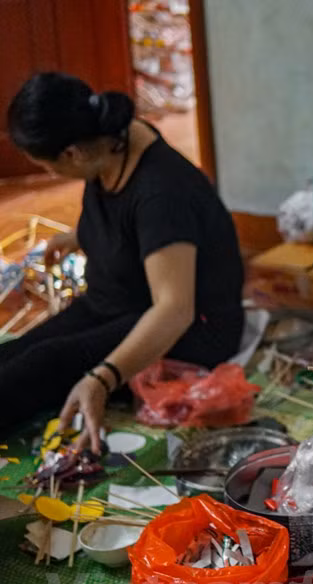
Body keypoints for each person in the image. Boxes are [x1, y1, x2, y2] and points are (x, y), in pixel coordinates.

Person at [1, 72, 245, 451]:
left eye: (51, 168)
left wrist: (103, 378)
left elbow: (175, 309)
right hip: (119, 301)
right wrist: (80, 235)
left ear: (72, 154)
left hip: (189, 327)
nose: (53, 176)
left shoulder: (162, 192)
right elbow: (125, 221)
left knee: (45, 364)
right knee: (17, 351)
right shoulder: (110, 138)